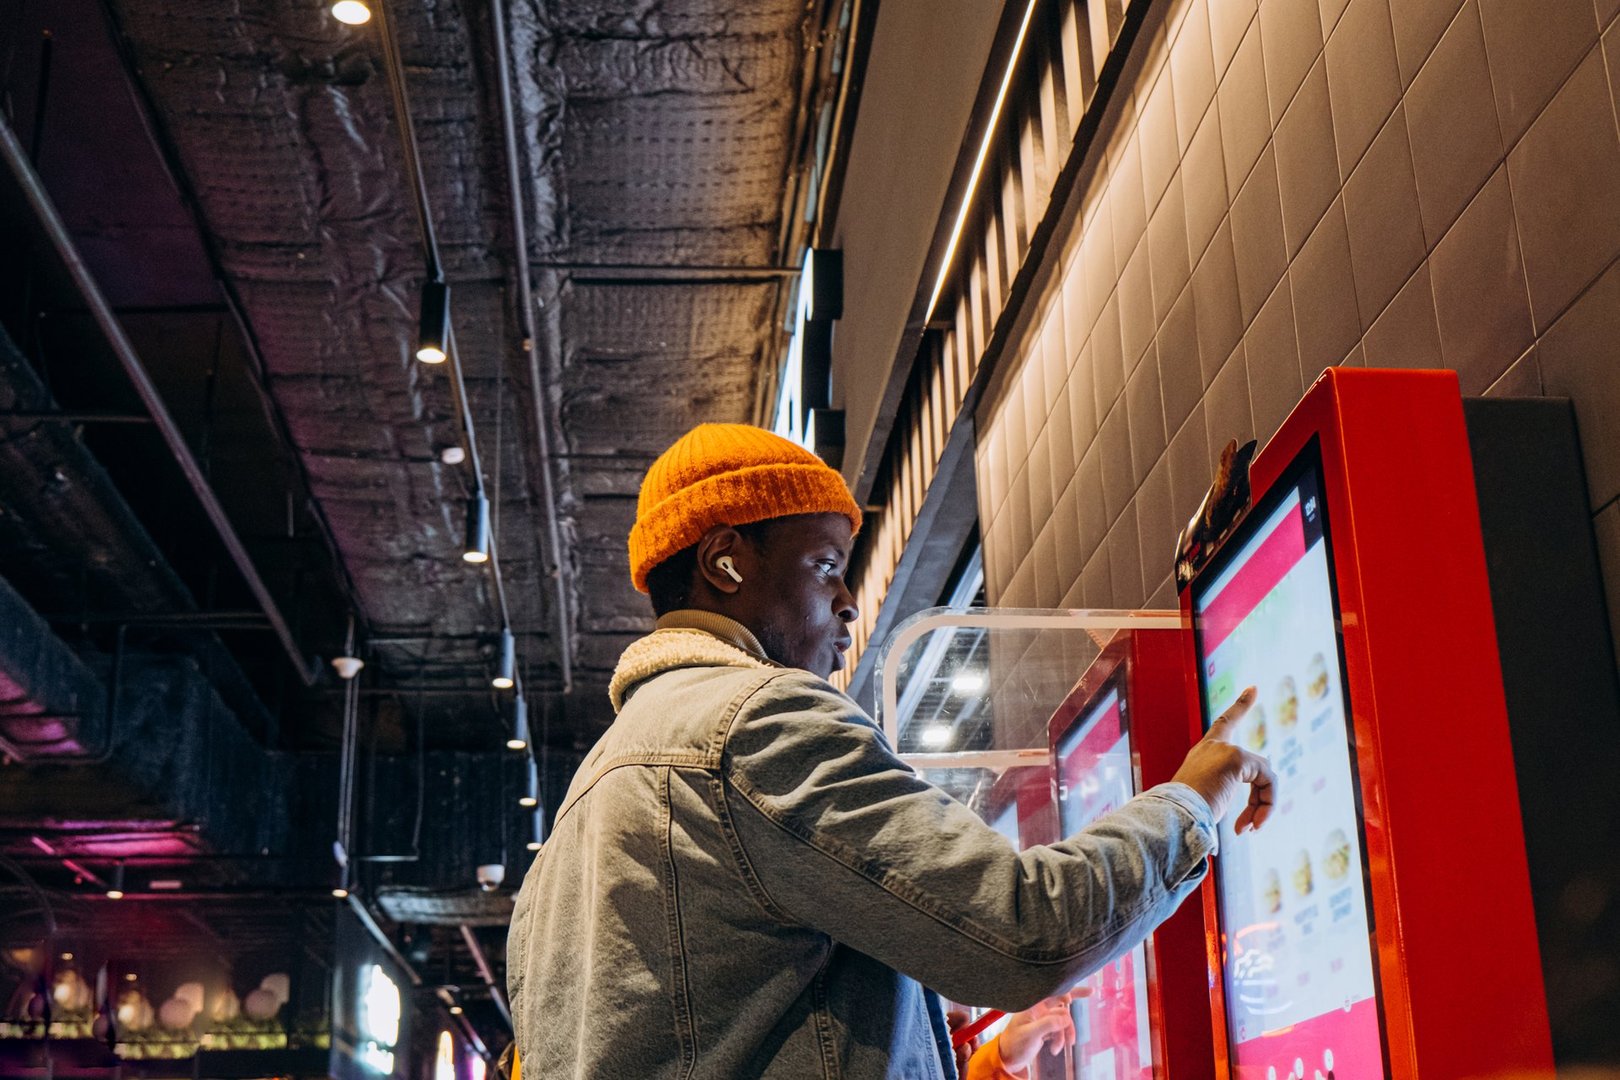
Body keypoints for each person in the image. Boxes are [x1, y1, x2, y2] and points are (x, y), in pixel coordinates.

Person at [508, 423, 1273, 1079]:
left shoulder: (579, 817)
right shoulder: (755, 724)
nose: (847, 603)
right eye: (826, 567)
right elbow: (1023, 929)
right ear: (726, 562)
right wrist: (1194, 800)